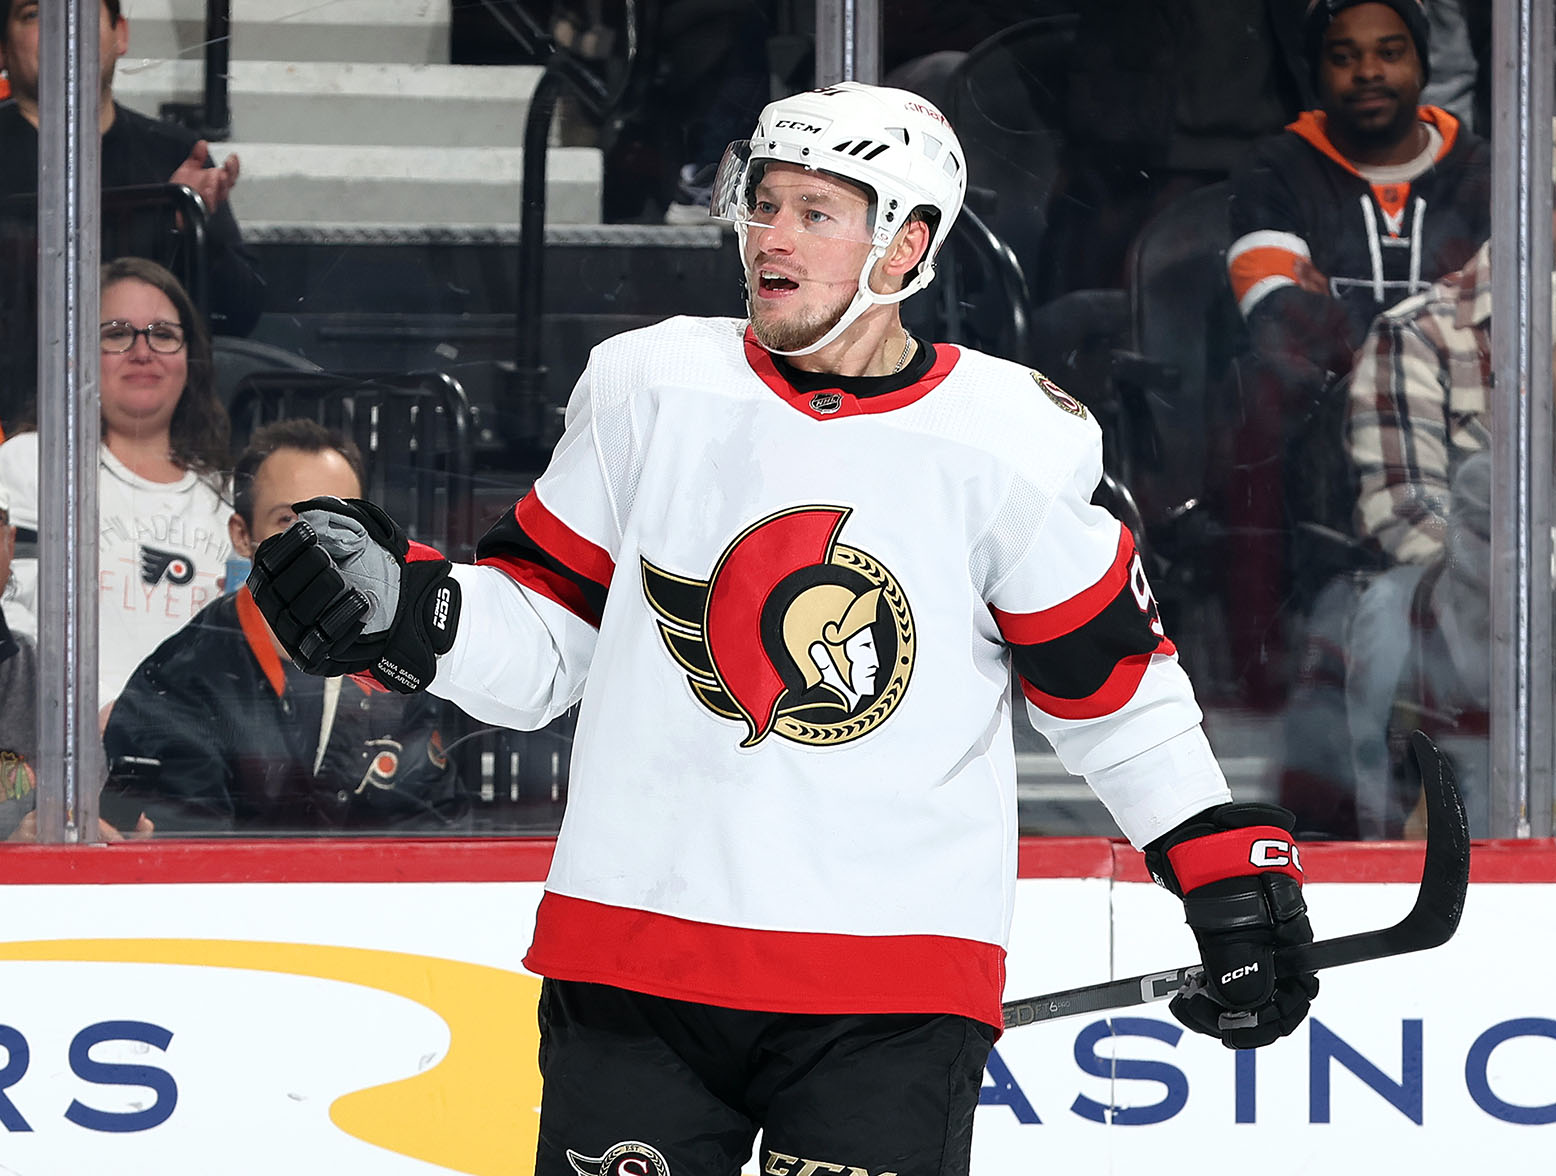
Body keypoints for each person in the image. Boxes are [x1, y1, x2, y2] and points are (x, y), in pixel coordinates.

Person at [247, 83, 1321, 1175]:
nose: (771, 235)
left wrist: (1218, 867)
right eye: (761, 205)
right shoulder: (647, 385)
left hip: (889, 989)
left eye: (817, 212)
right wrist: (410, 615)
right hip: (635, 963)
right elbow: (543, 646)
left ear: (905, 245)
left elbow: (1112, 693)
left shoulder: (1009, 439)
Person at [1216, 0, 1491, 704]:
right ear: (1317, 71)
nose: (1369, 70)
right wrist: (1427, 313)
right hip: (1320, 408)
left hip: (1460, 405)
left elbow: (1501, 314)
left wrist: (1342, 311)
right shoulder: (1279, 168)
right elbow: (1278, 314)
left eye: (1390, 51)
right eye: (1344, 56)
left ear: (1423, 64)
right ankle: (1264, 669)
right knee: (1259, 405)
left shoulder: (1483, 169)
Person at [98, 419, 471, 835]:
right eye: (288, 524)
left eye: (343, 524)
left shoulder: (399, 667)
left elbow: (439, 841)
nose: (320, 548)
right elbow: (193, 872)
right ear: (242, 536)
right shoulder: (174, 686)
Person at [0, 255, 233, 709]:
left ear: (191, 360)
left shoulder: (226, 500)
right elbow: (9, 621)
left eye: (163, 335)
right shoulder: (29, 463)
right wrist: (94, 716)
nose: (142, 351)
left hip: (191, 755)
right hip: (58, 747)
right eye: (117, 334)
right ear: (79, 356)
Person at [0, 0, 264, 378]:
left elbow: (241, 315)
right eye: (35, 14)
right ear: (3, 48)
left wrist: (189, 229)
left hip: (144, 416)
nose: (65, 30)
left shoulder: (176, 155)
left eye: (84, 13)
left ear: (120, 34)